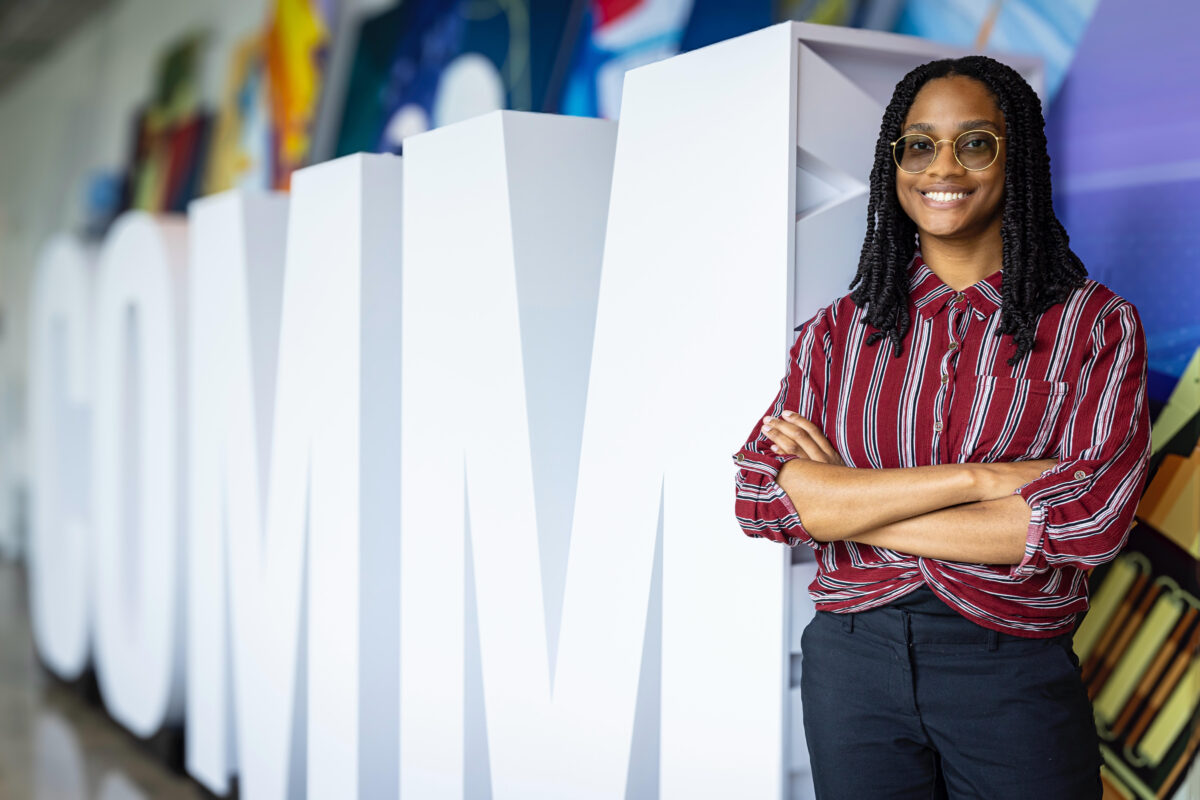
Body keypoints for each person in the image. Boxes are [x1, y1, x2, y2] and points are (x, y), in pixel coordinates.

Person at [732, 55, 1151, 799]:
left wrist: (844, 504)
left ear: (1014, 155)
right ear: (895, 163)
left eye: (975, 141)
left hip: (1010, 667)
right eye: (919, 144)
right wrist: (980, 482)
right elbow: (763, 499)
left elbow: (1089, 522)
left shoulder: (1095, 324)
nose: (942, 166)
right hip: (852, 669)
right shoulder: (837, 332)